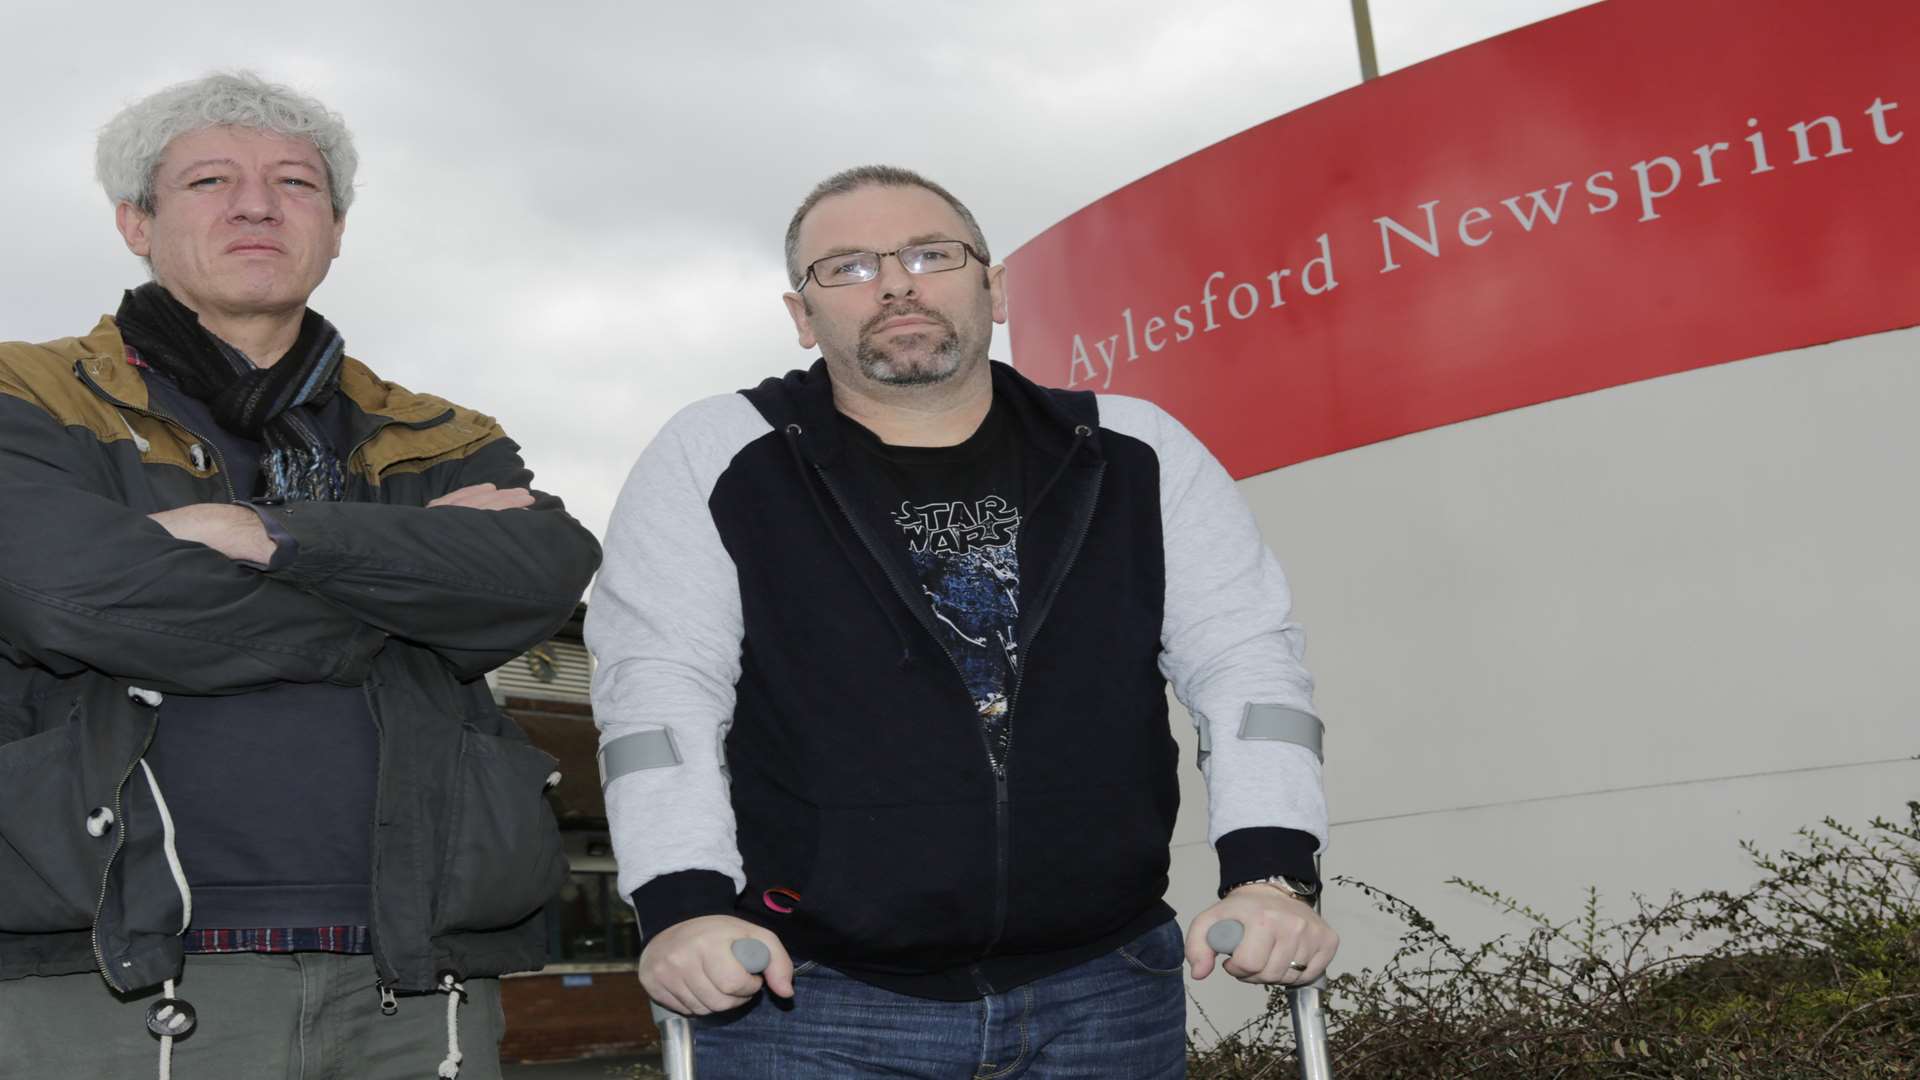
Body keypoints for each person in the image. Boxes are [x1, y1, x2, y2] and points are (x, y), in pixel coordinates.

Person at [588, 165, 1336, 1078]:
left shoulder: (1135, 450)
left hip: (1106, 987)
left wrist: (1270, 872)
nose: (897, 282)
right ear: (799, 315)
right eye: (849, 267)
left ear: (996, 285)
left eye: (931, 254)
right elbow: (658, 699)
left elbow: (1250, 670)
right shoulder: (719, 454)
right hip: (812, 998)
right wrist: (682, 904)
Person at [0, 72, 600, 1080]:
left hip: (413, 982)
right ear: (133, 222)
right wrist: (398, 605)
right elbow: (67, 592)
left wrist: (268, 536)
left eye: (294, 182)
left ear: (335, 229)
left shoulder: (440, 434)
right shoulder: (26, 392)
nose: (255, 203)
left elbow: (538, 573)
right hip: (108, 971)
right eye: (208, 180)